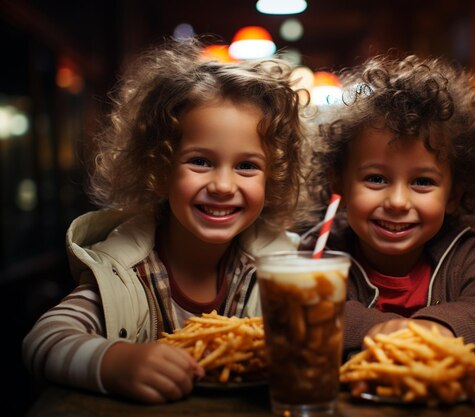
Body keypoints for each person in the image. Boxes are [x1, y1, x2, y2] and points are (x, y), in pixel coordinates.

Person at [22, 38, 306, 404]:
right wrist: (115, 363)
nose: (222, 185)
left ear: (273, 179)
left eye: (247, 166)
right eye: (201, 161)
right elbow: (43, 340)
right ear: (159, 170)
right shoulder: (124, 271)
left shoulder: (282, 268)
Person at [300, 54, 475, 359]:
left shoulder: (467, 249)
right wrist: (386, 330)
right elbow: (305, 312)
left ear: (453, 195)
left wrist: (435, 328)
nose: (398, 202)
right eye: (376, 178)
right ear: (339, 185)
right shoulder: (322, 250)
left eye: (422, 182)